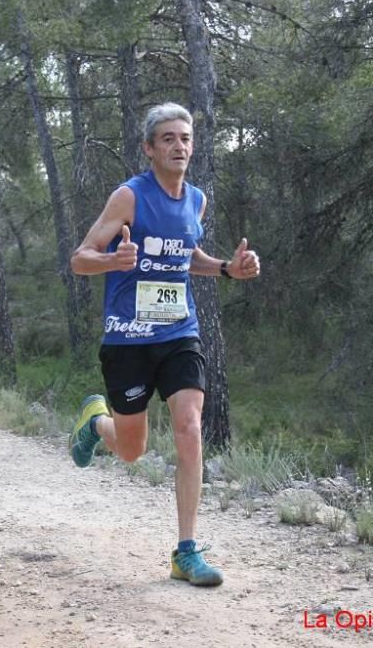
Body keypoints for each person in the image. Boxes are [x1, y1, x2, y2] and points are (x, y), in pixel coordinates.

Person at [68, 102, 260, 586]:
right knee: (131, 451)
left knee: (190, 426)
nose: (179, 146)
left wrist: (223, 269)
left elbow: (184, 253)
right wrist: (112, 262)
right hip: (128, 339)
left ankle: (186, 551)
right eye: (169, 139)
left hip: (178, 333)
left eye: (186, 138)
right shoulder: (129, 198)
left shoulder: (196, 200)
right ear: (149, 149)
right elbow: (80, 258)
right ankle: (97, 421)